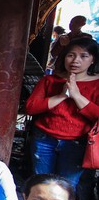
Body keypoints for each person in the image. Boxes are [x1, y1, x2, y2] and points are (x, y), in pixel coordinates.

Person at [26, 37, 99, 186]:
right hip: (44, 139)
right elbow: (31, 108)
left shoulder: (96, 84)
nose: (75, 61)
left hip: (77, 142)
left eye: (83, 56)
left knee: (67, 185)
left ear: (93, 60)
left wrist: (76, 95)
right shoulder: (50, 81)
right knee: (42, 182)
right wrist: (61, 96)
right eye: (71, 55)